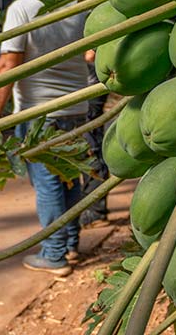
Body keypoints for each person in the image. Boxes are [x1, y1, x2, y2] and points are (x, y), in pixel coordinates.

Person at [0, 0, 89, 276]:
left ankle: (55, 253)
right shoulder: (76, 7)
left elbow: (9, 65)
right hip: (76, 107)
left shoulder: (21, 10)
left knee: (47, 184)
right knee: (70, 178)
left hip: (38, 113)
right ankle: (71, 243)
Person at [80, 51, 111, 229]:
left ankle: (96, 211)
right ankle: (94, 209)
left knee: (91, 148)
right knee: (90, 146)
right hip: (90, 87)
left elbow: (90, 55)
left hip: (90, 90)